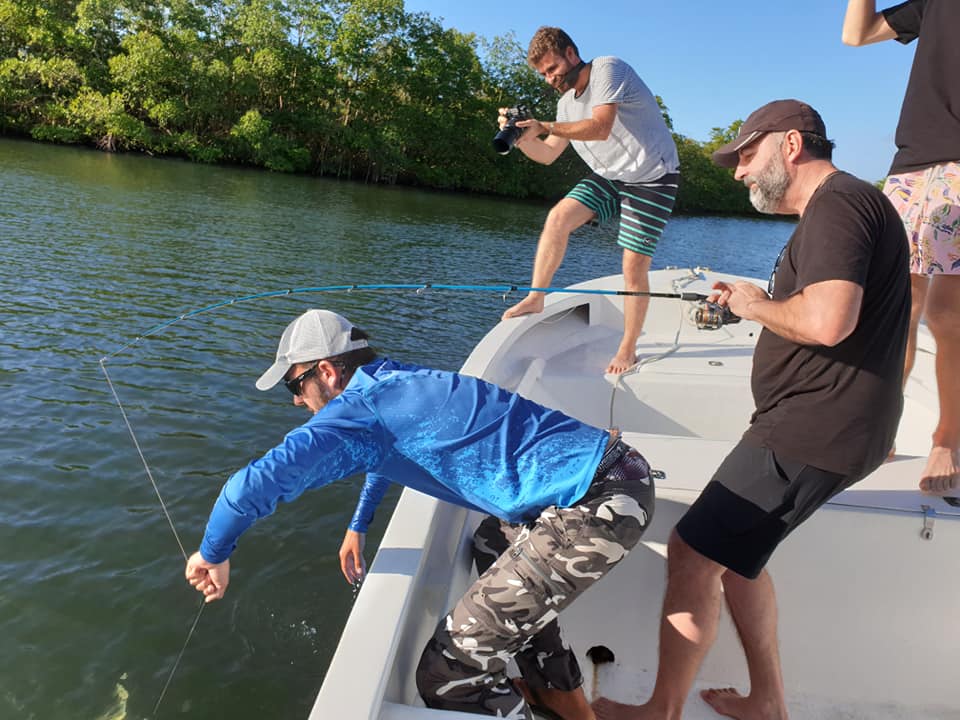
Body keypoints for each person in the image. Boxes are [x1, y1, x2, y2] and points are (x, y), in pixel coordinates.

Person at [593, 99, 910, 720]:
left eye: (746, 154)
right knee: (737, 558)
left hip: (814, 428)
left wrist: (750, 309)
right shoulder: (843, 206)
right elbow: (824, 305)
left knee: (692, 551)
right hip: (823, 422)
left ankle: (660, 711)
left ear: (791, 145)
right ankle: (767, 702)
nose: (737, 171)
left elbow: (827, 321)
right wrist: (765, 297)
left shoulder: (839, 205)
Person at [184, 308, 655, 720]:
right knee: (491, 540)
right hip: (616, 470)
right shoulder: (394, 382)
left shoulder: (360, 410)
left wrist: (213, 552)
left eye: (295, 384)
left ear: (326, 371)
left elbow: (252, 485)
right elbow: (387, 456)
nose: (294, 400)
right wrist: (358, 524)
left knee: (447, 672)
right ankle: (562, 698)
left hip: (599, 505)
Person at [499, 26, 680, 375]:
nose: (550, 79)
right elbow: (549, 155)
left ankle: (628, 348)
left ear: (570, 53)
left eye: (552, 69)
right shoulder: (565, 105)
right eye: (543, 74)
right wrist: (522, 137)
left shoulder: (608, 70)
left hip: (653, 174)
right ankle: (536, 298)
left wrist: (544, 125)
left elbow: (600, 127)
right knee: (557, 218)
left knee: (632, 266)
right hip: (613, 175)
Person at [842, 0, 960, 496]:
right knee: (897, 306)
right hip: (911, 163)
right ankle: (880, 425)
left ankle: (948, 437)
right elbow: (858, 33)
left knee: (948, 314)